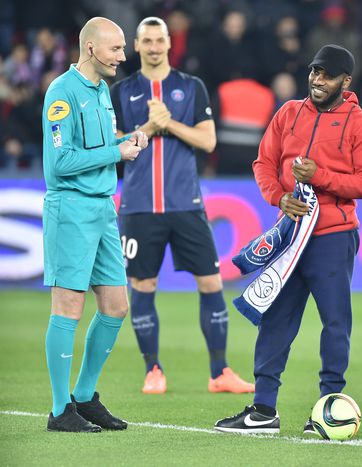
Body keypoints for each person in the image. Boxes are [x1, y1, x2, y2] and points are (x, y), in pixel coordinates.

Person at [214, 44, 362, 435]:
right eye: (314, 71)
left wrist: (319, 176)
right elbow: (263, 163)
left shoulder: (360, 124)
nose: (317, 80)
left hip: (332, 238)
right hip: (290, 237)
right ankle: (263, 411)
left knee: (335, 322)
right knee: (276, 320)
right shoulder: (288, 113)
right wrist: (279, 197)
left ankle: (327, 409)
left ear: (345, 81)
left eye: (327, 74)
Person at [110, 17, 254, 395]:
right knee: (143, 284)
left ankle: (220, 372)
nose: (154, 47)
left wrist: (168, 123)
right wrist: (150, 127)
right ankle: (153, 370)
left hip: (186, 204)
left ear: (170, 43)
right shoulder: (121, 91)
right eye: (147, 41)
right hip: (139, 206)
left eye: (160, 40)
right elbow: (114, 145)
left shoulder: (192, 87)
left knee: (211, 282)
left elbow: (208, 141)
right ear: (136, 46)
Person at [42, 17, 147, 432]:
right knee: (68, 306)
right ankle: (59, 410)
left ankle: (84, 397)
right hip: (71, 208)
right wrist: (116, 153)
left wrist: (124, 142)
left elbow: (96, 148)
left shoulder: (102, 90)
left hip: (103, 209)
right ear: (90, 48)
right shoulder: (61, 93)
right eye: (116, 48)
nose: (123, 56)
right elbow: (61, 162)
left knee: (116, 306)